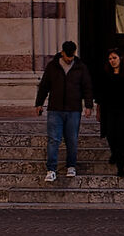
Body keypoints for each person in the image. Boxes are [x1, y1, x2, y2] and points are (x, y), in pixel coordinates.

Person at [35, 40, 93, 182]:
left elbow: (87, 87)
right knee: (53, 139)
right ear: (62, 53)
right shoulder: (52, 66)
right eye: (67, 56)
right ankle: (51, 169)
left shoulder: (80, 67)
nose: (69, 59)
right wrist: (39, 103)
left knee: (72, 139)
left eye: (71, 56)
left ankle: (71, 166)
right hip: (55, 108)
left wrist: (88, 105)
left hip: (73, 109)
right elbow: (44, 86)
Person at [95, 49, 124, 179]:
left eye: (114, 58)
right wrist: (98, 111)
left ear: (120, 59)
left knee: (121, 137)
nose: (112, 61)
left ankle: (120, 168)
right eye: (110, 59)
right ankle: (114, 153)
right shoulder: (104, 75)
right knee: (110, 135)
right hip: (108, 110)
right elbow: (100, 94)